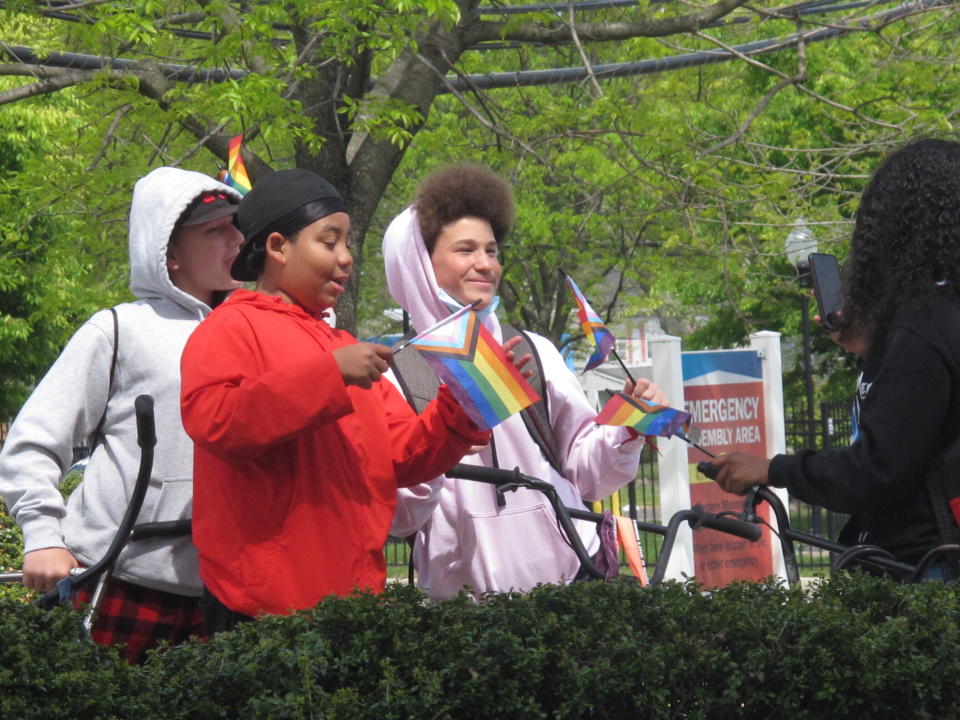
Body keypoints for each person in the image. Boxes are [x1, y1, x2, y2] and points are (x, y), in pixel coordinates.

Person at [178, 168, 490, 632]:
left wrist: (467, 406)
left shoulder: (353, 343)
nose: (483, 265)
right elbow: (216, 421)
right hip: (270, 603)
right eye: (330, 242)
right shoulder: (233, 327)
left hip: (359, 592)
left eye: (491, 250)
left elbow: (401, 448)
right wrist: (331, 376)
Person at [382, 163, 666, 601]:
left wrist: (627, 428)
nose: (485, 264)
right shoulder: (403, 374)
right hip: (463, 609)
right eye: (465, 249)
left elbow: (587, 476)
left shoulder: (532, 349)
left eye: (492, 251)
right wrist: (442, 442)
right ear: (420, 261)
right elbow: (401, 516)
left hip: (574, 581)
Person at [0, 166, 244, 661]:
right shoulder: (117, 330)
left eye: (237, 226)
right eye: (215, 230)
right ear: (168, 253)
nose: (237, 240)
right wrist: (43, 537)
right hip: (117, 580)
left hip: (227, 590)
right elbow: (32, 442)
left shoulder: (255, 330)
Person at [707, 138, 960, 574]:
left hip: (925, 565)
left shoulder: (923, 325)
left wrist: (772, 469)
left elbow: (877, 471)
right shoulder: (937, 317)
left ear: (894, 223)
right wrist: (875, 349)